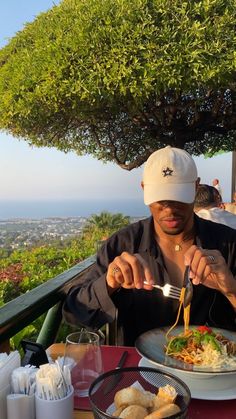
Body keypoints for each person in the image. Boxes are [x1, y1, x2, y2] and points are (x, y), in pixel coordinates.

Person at [63, 146, 236, 346]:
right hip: (137, 369)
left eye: (179, 198)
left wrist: (230, 289)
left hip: (213, 368)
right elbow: (74, 313)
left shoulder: (229, 244)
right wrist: (109, 283)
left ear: (196, 187)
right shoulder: (123, 244)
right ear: (144, 188)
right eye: (160, 200)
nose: (170, 209)